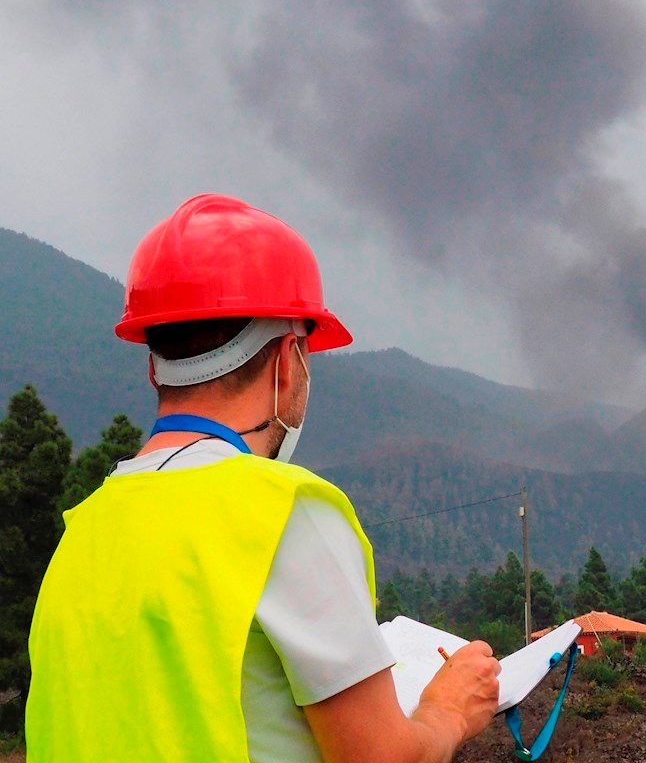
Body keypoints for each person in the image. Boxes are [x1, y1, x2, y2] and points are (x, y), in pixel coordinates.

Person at [26, 194, 500, 762]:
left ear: (154, 365)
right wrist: (446, 713)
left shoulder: (83, 528)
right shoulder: (283, 514)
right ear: (288, 360)